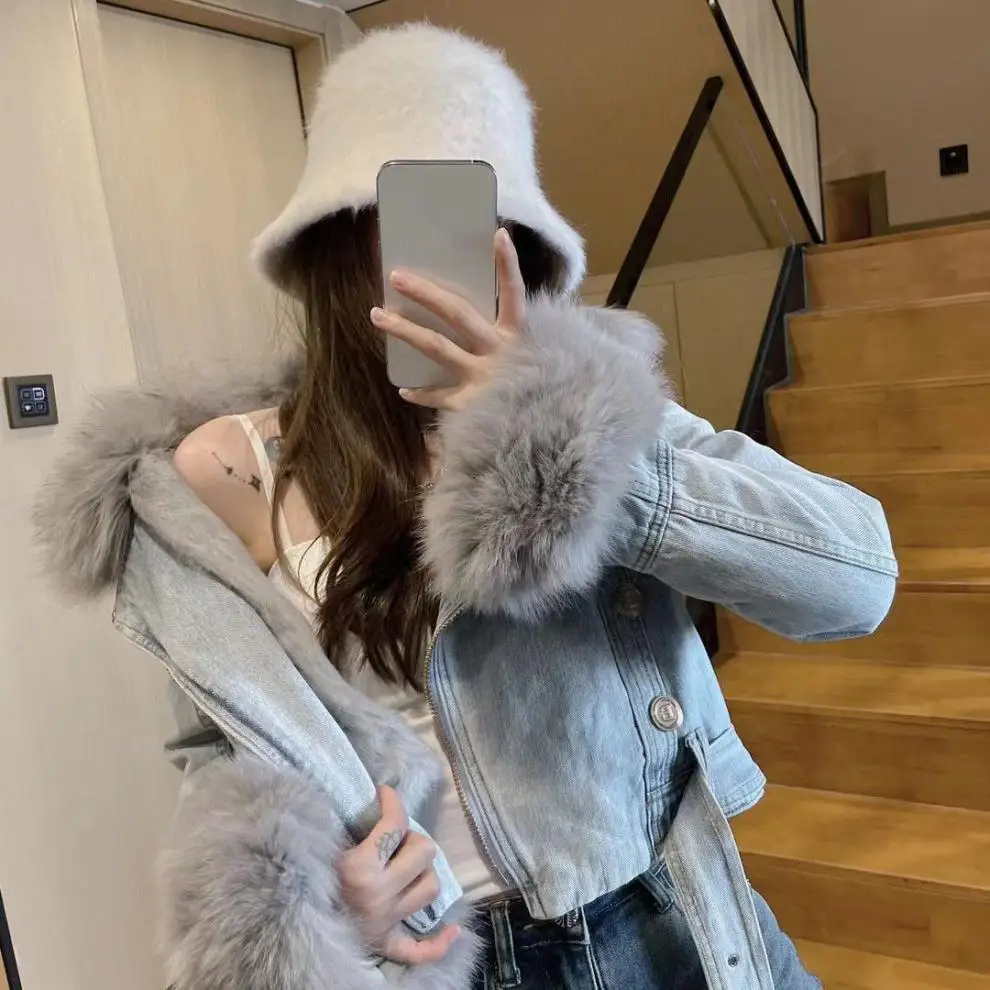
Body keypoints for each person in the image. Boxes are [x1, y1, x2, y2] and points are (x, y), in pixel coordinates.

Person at [36, 23, 897, 990]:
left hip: (658, 927)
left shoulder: (599, 410)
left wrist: (568, 452)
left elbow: (856, 580)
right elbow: (219, 742)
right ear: (330, 246)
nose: (451, 260)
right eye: (400, 220)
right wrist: (317, 898)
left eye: (496, 225)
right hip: (436, 957)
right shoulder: (232, 469)